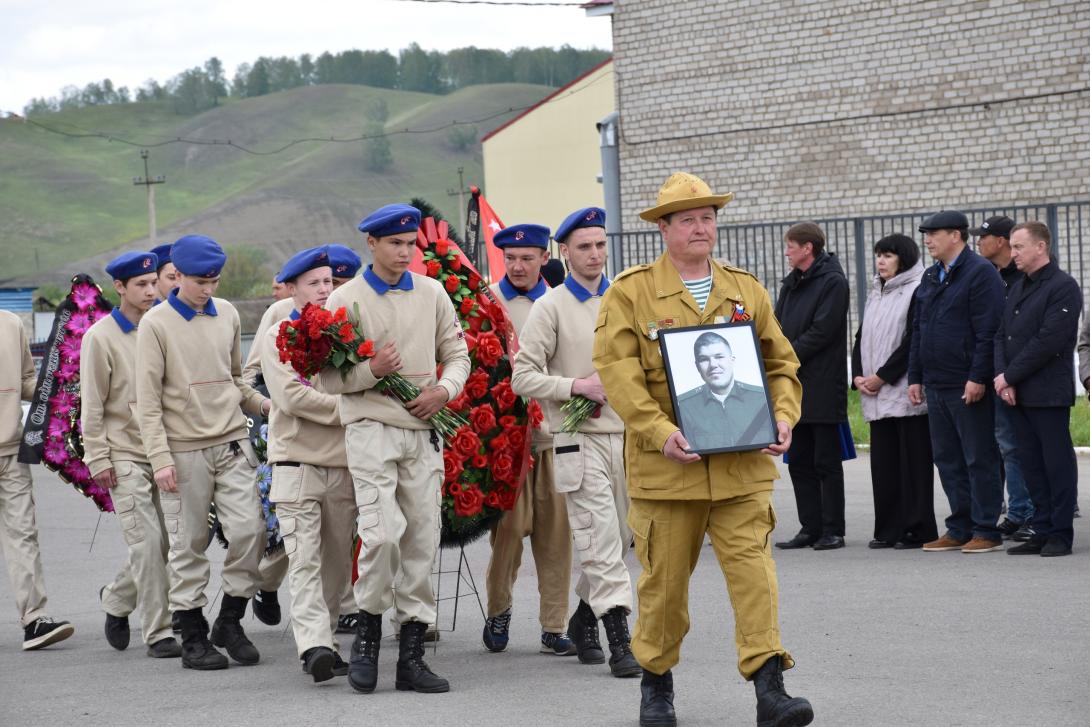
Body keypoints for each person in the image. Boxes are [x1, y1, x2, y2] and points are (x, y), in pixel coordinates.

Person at [594, 172, 812, 727]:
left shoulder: (746, 290)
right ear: (662, 229)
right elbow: (619, 376)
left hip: (742, 469)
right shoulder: (630, 292)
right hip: (668, 472)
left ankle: (770, 689)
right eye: (687, 219)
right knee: (664, 590)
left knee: (755, 580)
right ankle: (657, 688)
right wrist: (659, 431)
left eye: (708, 217)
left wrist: (784, 415)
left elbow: (781, 365)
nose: (701, 227)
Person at [319, 203, 470, 695]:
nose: (405, 252)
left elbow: (458, 356)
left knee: (421, 540)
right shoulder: (344, 299)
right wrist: (372, 371)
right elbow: (329, 378)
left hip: (424, 431)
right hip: (370, 429)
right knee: (382, 535)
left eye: (411, 244)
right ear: (373, 245)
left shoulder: (433, 292)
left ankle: (411, 655)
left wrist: (443, 392)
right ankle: (366, 632)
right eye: (395, 244)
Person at [511, 213, 641, 680]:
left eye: (600, 245)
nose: (594, 254)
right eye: (584, 246)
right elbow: (523, 375)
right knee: (600, 537)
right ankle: (621, 640)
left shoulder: (624, 299)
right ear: (565, 252)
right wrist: (577, 386)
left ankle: (584, 616)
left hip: (629, 438)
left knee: (626, 536)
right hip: (576, 437)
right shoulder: (552, 307)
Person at [136, 234, 271, 670]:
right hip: (183, 451)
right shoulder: (155, 325)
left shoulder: (228, 314)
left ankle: (229, 620)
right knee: (189, 543)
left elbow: (234, 378)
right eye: (199, 281)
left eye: (214, 281)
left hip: (232, 442)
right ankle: (192, 634)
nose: (208, 289)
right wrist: (159, 459)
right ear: (177, 276)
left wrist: (266, 405)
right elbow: (148, 400)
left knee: (252, 530)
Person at [260, 246, 357, 680]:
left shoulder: (345, 332)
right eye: (314, 283)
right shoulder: (279, 332)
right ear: (293, 288)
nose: (324, 289)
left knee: (337, 566)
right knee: (303, 560)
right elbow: (292, 396)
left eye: (329, 282)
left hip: (342, 465)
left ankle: (329, 638)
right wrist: (353, 411)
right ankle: (314, 645)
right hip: (296, 463)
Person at [482, 220, 575, 657]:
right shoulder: (487, 303)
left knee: (556, 539)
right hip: (506, 443)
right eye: (511, 258)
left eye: (527, 258)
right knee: (507, 537)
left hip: (553, 435)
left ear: (544, 259)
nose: (518, 266)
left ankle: (554, 625)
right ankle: (498, 610)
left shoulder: (559, 304)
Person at [81, 251, 180, 657]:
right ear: (120, 287)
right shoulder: (100, 337)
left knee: (170, 544)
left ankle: (118, 598)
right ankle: (159, 631)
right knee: (146, 542)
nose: (150, 291)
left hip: (165, 451)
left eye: (153, 283)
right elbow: (92, 404)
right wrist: (97, 458)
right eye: (141, 285)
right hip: (122, 453)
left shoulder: (162, 327)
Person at [908, 211, 1006, 553]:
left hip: (966, 382)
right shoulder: (931, 276)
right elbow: (919, 328)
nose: (927, 239)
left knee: (979, 457)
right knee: (947, 458)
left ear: (956, 235)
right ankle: (959, 526)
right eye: (926, 234)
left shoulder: (980, 273)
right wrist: (915, 376)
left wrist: (978, 377)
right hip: (935, 383)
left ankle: (986, 529)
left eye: (933, 233)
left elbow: (988, 331)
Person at [995, 222, 1082, 557]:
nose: (1012, 253)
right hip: (1015, 390)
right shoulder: (1017, 287)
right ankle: (1041, 527)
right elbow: (1001, 334)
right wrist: (1002, 376)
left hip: (1046, 391)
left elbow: (1049, 340)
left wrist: (1010, 376)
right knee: (1029, 462)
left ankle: (1060, 532)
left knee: (1054, 462)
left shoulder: (1062, 286)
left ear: (1041, 247)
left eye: (1018, 247)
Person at [851, 234, 937, 549]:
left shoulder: (916, 290)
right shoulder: (877, 291)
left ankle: (917, 529)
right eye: (878, 256)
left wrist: (883, 377)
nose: (880, 262)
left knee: (913, 465)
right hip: (875, 394)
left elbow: (912, 340)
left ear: (904, 259)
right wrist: (859, 374)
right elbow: (862, 336)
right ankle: (888, 528)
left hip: (904, 392)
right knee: (884, 466)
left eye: (887, 256)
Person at [1, 310, 75, 650]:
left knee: (23, 533)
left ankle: (35, 619)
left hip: (10, 450)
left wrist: (62, 388)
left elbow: (28, 382)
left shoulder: (11, 324)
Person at [774, 222, 850, 551]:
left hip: (822, 382)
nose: (786, 251)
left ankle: (833, 529)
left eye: (791, 246)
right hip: (794, 385)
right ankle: (810, 527)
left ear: (808, 248)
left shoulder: (833, 282)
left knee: (826, 461)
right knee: (800, 459)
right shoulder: (791, 285)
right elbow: (776, 325)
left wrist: (787, 355)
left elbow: (823, 331)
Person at [972, 215, 1034, 541]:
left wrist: (1010, 374)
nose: (978, 243)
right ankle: (1017, 510)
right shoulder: (992, 276)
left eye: (983, 237)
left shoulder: (1020, 278)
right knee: (1006, 446)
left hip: (1023, 374)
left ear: (1000, 241)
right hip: (999, 375)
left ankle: (1030, 512)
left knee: (1021, 447)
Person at [674, 332, 774, 451]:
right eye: (704, 359)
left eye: (719, 357)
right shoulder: (685, 407)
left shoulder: (761, 399)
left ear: (732, 360)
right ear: (697, 367)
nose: (713, 365)